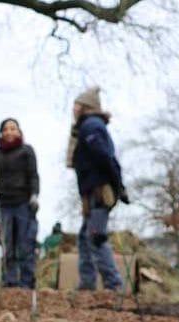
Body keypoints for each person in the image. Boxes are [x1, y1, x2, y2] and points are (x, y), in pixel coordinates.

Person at [66, 86, 128, 292]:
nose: (73, 109)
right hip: (92, 191)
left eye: (76, 105)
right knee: (85, 237)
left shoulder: (91, 127)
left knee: (95, 236)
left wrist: (118, 185)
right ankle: (87, 282)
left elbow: (104, 156)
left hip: (99, 191)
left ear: (86, 107)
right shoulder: (89, 126)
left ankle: (114, 284)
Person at [0, 118, 39, 289]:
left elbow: (33, 175)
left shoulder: (26, 152)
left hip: (24, 205)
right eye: (6, 129)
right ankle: (9, 282)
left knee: (25, 244)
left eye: (13, 128)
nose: (9, 132)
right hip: (5, 205)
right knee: (8, 245)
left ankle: (27, 282)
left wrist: (34, 195)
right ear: (1, 133)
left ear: (19, 132)